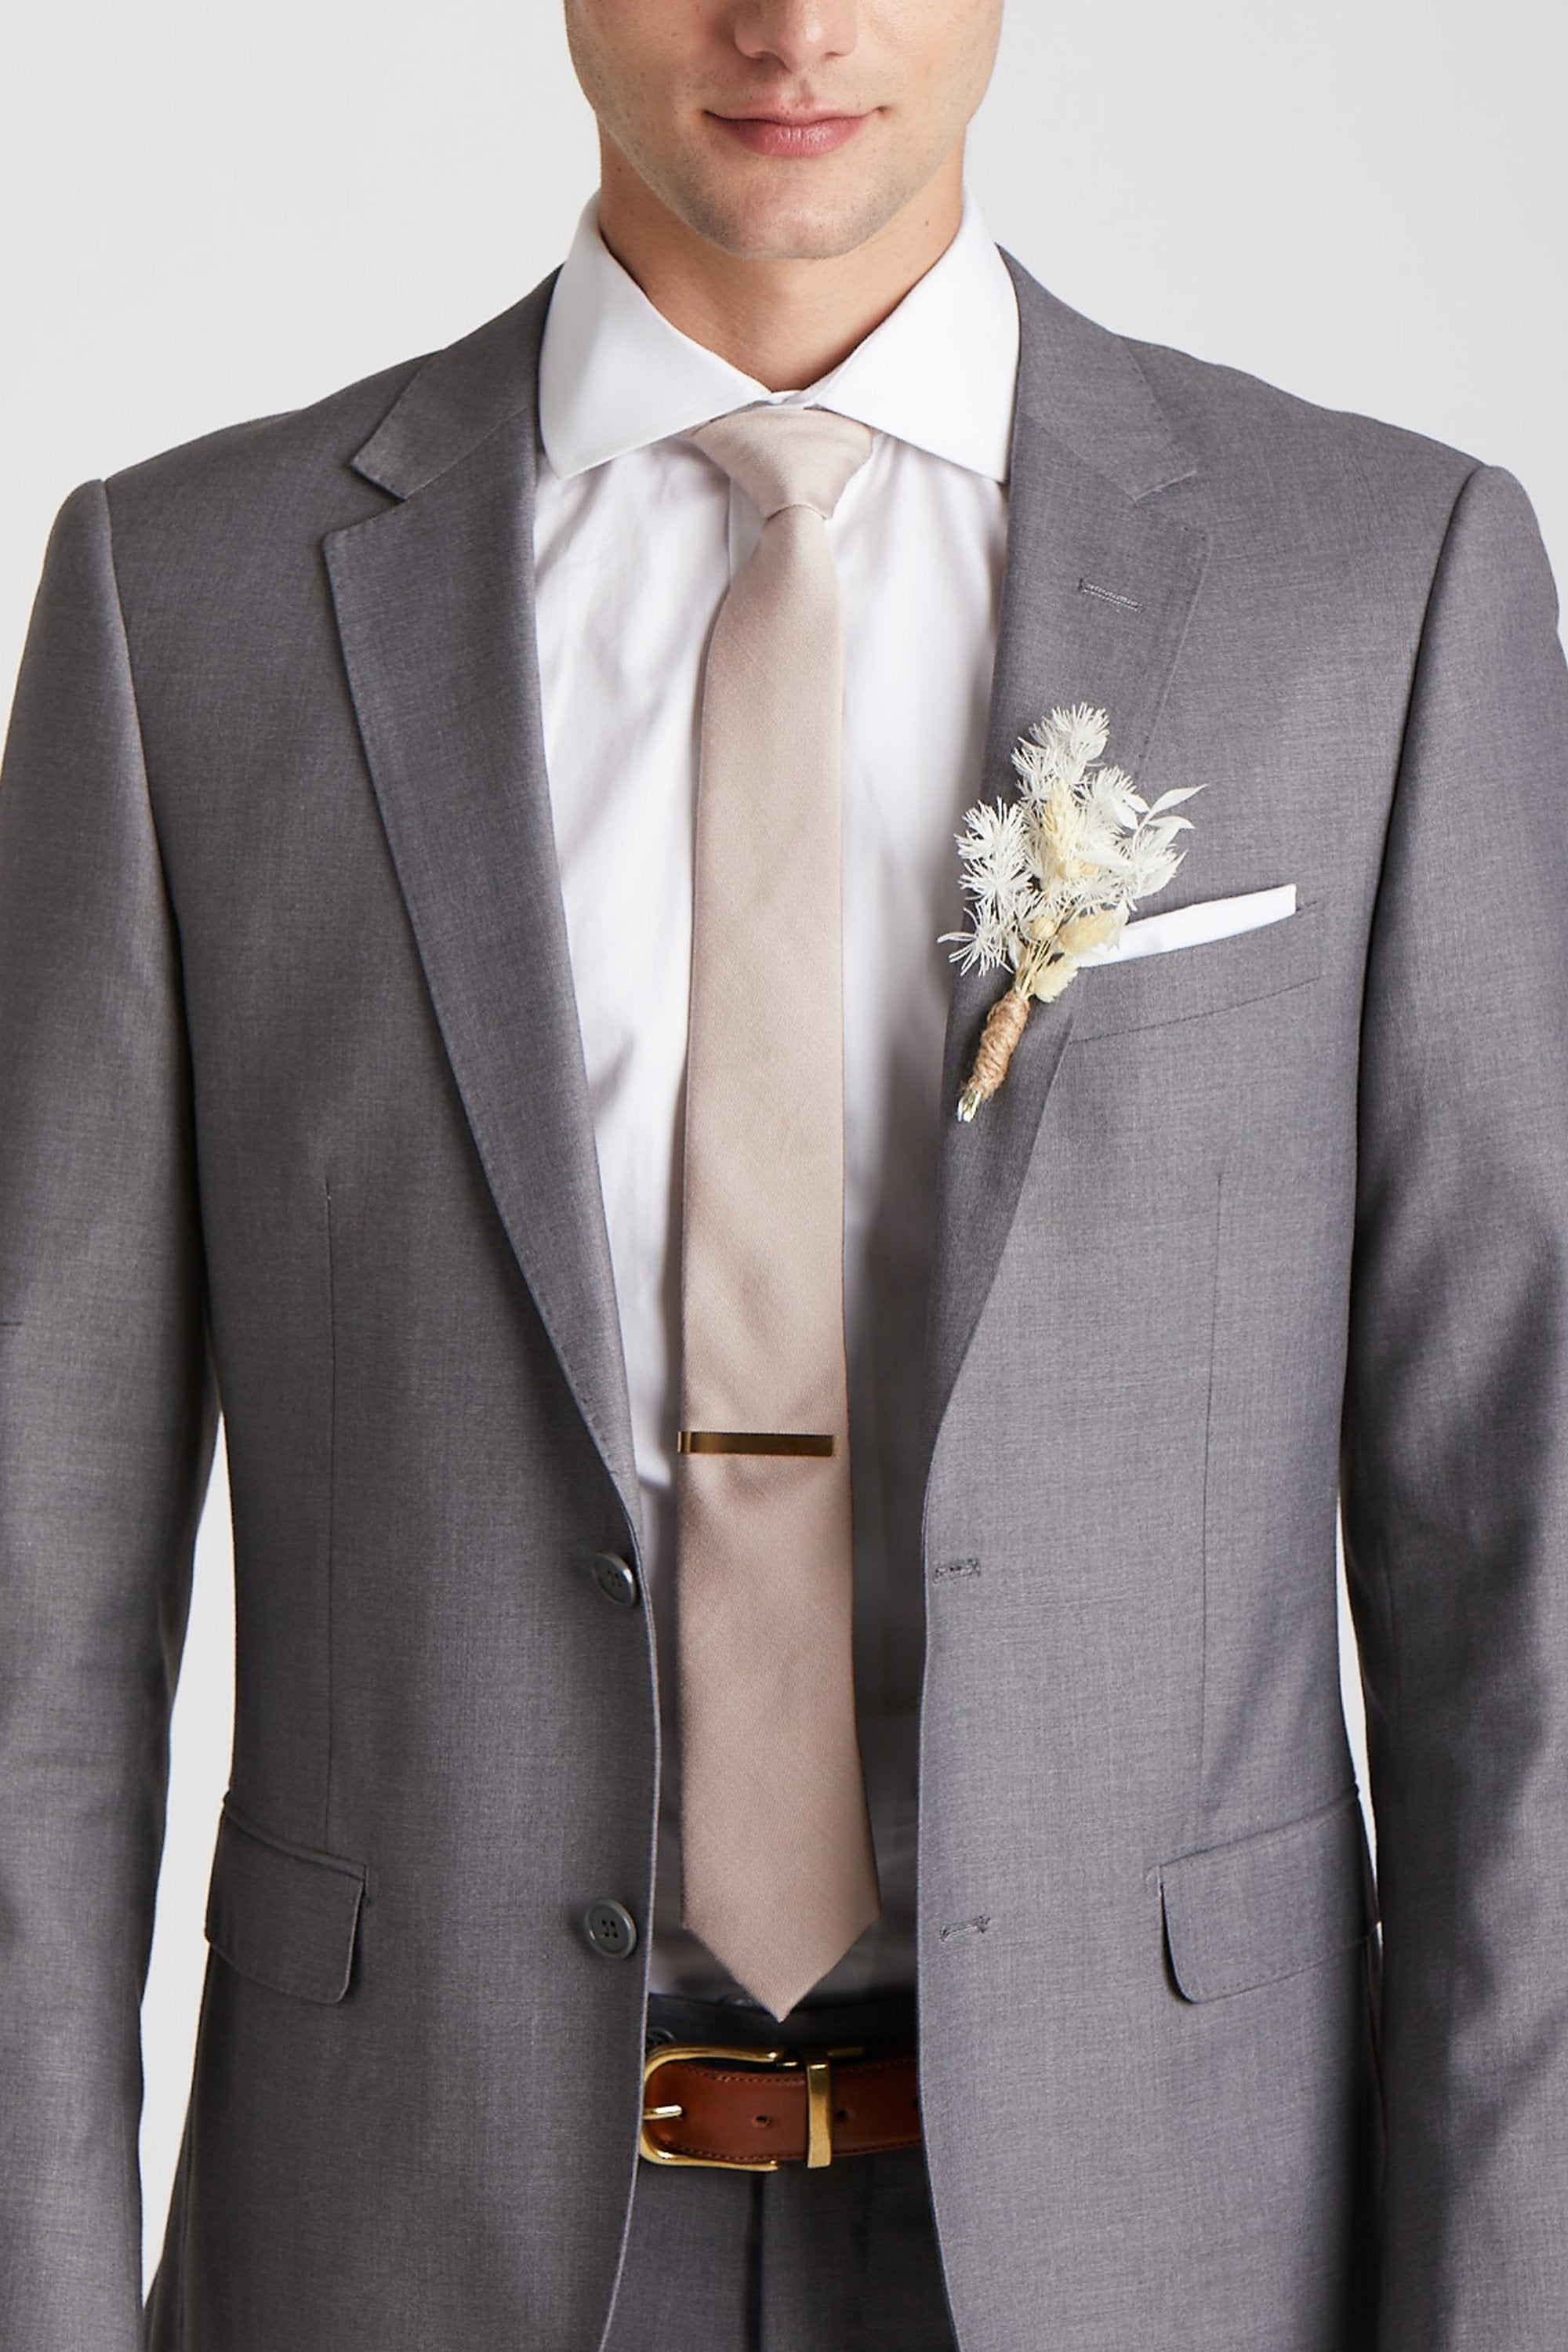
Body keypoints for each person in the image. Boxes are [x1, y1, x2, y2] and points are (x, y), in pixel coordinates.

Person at [2, 0, 1566, 2344]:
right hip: (409, 2231)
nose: (794, 21)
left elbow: (1519, 1583)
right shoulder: (181, 607)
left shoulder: (1382, 582)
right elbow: (31, 1606)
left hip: (1166, 2239)